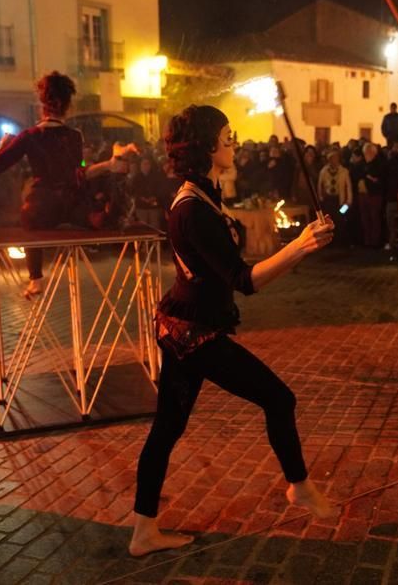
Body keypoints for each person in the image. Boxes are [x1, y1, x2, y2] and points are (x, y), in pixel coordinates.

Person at [131, 105, 336, 557]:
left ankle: (143, 532)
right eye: (227, 135)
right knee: (279, 398)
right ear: (206, 146)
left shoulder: (202, 195)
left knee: (167, 428)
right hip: (194, 335)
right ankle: (298, 486)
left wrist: (299, 247)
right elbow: (245, 281)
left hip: (186, 326)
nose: (234, 142)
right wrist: (299, 246)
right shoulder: (193, 208)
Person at [0, 71, 136, 296]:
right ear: (67, 105)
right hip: (72, 206)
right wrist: (108, 165)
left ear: (42, 104)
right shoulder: (74, 136)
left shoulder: (29, 136)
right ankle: (99, 214)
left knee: (29, 218)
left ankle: (35, 279)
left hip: (41, 209)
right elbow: (77, 176)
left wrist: (2, 148)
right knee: (104, 218)